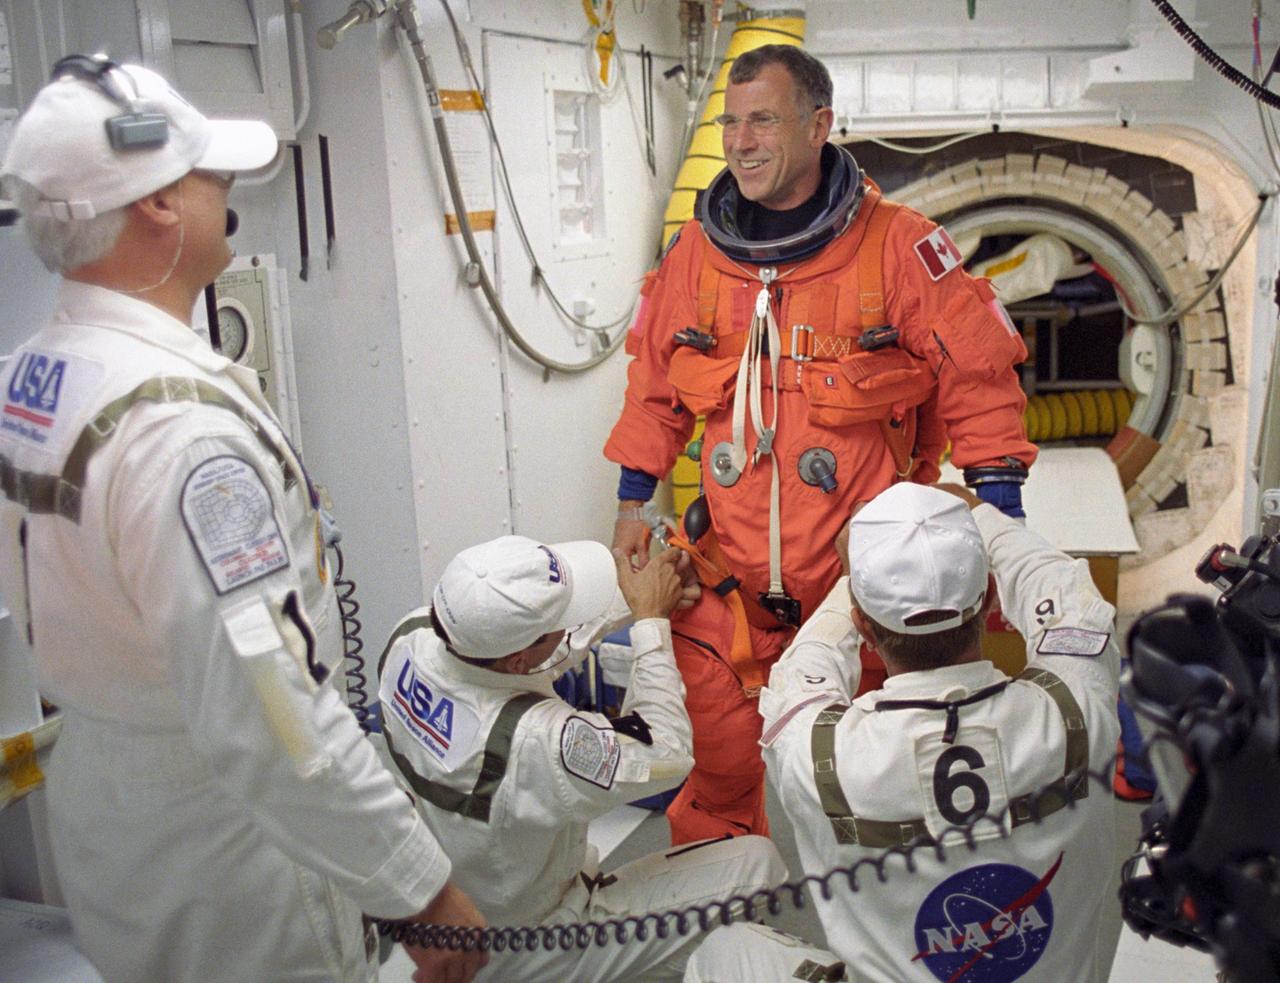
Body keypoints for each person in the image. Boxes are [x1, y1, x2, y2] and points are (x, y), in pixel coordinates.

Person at [0, 56, 485, 983]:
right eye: (205, 169)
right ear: (154, 207)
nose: (224, 186)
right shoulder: (183, 438)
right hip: (228, 846)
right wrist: (420, 892)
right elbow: (272, 717)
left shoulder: (30, 380)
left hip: (110, 818)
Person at [604, 43, 1037, 844]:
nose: (740, 141)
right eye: (731, 123)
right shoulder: (698, 257)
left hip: (866, 601)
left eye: (763, 120)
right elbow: (655, 382)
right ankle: (728, 920)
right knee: (725, 770)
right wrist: (633, 498)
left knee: (882, 788)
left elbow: (980, 376)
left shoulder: (897, 249)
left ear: (819, 125)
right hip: (732, 588)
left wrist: (1000, 521)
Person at [684, 482, 1121, 982]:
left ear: (863, 629)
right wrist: (979, 516)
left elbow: (807, 665)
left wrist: (862, 569)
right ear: (992, 600)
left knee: (726, 949)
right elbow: (1065, 592)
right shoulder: (1076, 709)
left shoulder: (818, 754)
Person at [377, 535, 788, 981]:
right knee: (757, 867)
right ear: (518, 660)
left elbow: (536, 655)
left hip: (467, 898)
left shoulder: (415, 633)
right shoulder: (538, 740)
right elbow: (666, 752)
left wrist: (640, 597)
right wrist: (651, 624)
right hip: (533, 940)